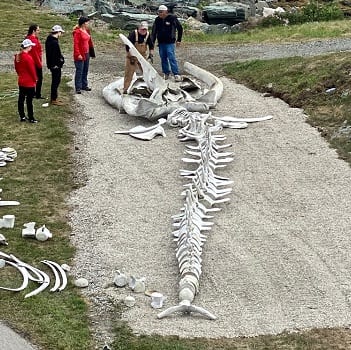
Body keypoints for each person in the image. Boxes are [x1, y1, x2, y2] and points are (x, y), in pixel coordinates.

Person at [151, 4, 183, 81]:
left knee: (171, 57)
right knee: (163, 58)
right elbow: (154, 32)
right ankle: (166, 73)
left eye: (161, 12)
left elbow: (180, 28)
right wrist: (152, 43)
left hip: (170, 42)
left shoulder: (172, 18)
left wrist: (179, 40)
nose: (160, 13)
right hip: (161, 42)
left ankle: (176, 74)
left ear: (165, 12)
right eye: (159, 12)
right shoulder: (157, 20)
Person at [123, 21, 154, 94]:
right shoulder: (133, 34)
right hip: (132, 57)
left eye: (145, 29)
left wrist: (151, 55)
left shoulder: (148, 35)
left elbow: (151, 46)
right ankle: (125, 89)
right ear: (139, 28)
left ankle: (150, 88)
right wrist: (131, 56)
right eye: (142, 29)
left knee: (147, 72)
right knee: (129, 73)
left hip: (142, 56)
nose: (144, 31)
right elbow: (127, 46)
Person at [14, 39, 38, 123]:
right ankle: (31, 117)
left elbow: (17, 68)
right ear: (27, 47)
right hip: (29, 82)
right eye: (30, 46)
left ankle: (22, 116)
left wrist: (20, 75)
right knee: (29, 101)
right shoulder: (28, 57)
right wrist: (35, 79)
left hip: (21, 81)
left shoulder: (18, 56)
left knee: (21, 99)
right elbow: (32, 70)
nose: (31, 47)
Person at [72, 16, 95, 94]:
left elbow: (89, 42)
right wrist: (78, 54)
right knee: (79, 70)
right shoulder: (77, 32)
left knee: (85, 69)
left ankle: (84, 85)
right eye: (87, 22)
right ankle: (78, 87)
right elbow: (76, 44)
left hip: (87, 53)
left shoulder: (87, 30)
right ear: (83, 23)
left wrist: (92, 52)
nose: (88, 23)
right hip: (81, 53)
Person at [45, 25, 65, 106]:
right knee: (56, 81)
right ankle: (54, 99)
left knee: (55, 81)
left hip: (52, 64)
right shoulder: (54, 42)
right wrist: (58, 63)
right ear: (58, 32)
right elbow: (55, 55)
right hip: (55, 66)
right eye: (60, 32)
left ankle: (55, 97)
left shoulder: (49, 40)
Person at [26, 24, 44, 99]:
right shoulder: (33, 40)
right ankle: (37, 94)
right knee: (39, 78)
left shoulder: (29, 38)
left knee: (32, 77)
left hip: (31, 61)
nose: (39, 32)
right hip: (35, 62)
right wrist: (39, 64)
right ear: (34, 31)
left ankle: (32, 92)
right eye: (38, 30)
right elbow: (35, 54)